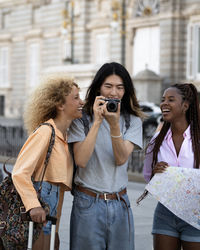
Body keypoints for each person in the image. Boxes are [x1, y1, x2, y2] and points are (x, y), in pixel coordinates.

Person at [68, 62, 143, 250]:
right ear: (98, 87)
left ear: (126, 90)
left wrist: (114, 125)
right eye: (108, 86)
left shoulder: (132, 121)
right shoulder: (82, 120)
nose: (113, 93)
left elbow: (120, 159)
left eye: (119, 87)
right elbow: (81, 160)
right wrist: (97, 122)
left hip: (120, 203)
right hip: (88, 203)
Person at [12, 72, 84, 250]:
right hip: (40, 206)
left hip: (52, 205)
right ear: (60, 104)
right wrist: (33, 206)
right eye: (76, 98)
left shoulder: (63, 136)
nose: (81, 102)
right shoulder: (46, 131)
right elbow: (20, 172)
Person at [141, 83, 200, 250]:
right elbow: (147, 176)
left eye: (171, 99)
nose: (164, 103)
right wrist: (155, 174)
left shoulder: (198, 138)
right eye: (163, 99)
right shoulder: (157, 140)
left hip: (196, 212)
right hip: (165, 212)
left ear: (185, 106)